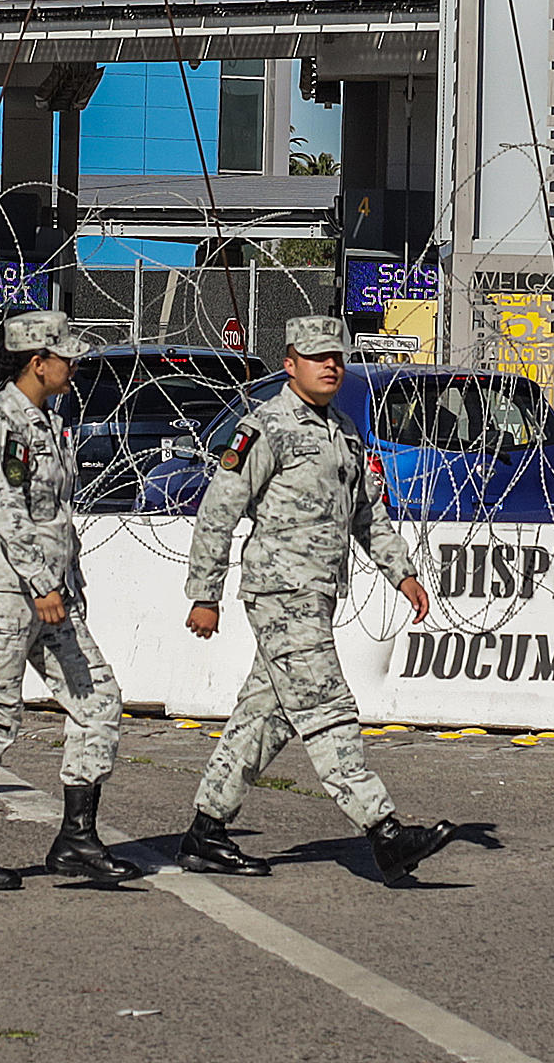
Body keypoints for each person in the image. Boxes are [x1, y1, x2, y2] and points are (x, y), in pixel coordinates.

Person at [181, 315, 458, 886]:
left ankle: (206, 833)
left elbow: (366, 513)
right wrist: (205, 594)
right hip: (280, 594)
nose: (330, 365)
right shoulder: (265, 429)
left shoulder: (345, 432)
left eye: (337, 356)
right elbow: (218, 511)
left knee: (267, 716)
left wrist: (401, 574)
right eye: (317, 357)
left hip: (316, 596)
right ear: (290, 364)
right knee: (328, 709)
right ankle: (384, 831)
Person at [0, 311, 138, 891]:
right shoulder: (1, 423)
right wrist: (42, 582)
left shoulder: (47, 422)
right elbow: (1, 509)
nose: (73, 366)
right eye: (64, 356)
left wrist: (66, 585)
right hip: (2, 593)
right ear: (36, 362)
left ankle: (76, 838)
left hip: (49, 597)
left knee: (98, 698)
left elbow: (54, 518)